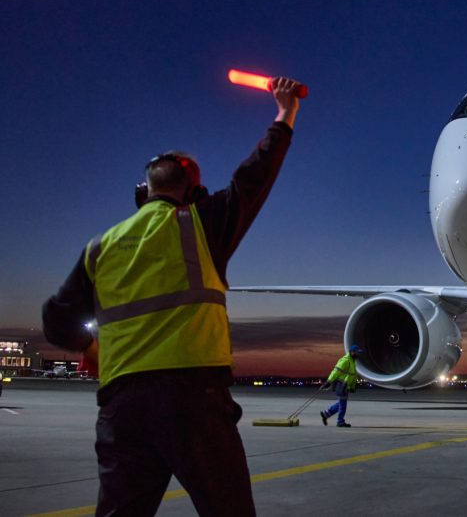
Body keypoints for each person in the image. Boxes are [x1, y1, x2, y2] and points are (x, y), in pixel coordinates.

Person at [42, 77, 303, 517]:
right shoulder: (202, 224)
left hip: (123, 407)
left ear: (142, 192)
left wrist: (90, 347)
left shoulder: (100, 247)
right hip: (194, 402)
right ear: (194, 192)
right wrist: (285, 113)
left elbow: (56, 320)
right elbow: (254, 176)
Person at [320, 344, 362, 427]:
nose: (358, 354)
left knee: (341, 403)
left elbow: (352, 376)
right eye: (357, 352)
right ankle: (340, 422)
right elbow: (335, 372)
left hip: (345, 386)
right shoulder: (345, 361)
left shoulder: (352, 361)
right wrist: (328, 382)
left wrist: (352, 387)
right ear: (352, 352)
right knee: (343, 404)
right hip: (341, 385)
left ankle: (326, 414)